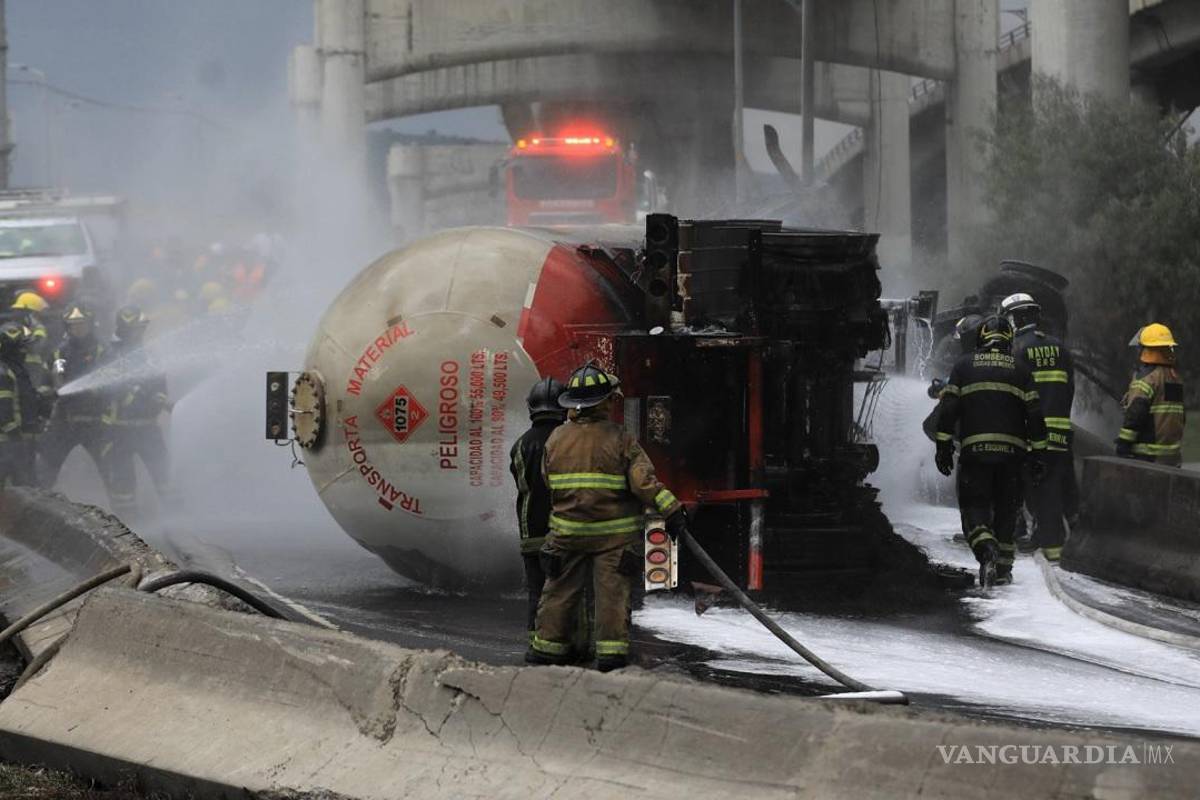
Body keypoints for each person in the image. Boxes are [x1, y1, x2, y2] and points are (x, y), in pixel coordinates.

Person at [528, 362, 688, 672]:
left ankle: (547, 649)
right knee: (612, 597)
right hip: (613, 539)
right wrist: (672, 510)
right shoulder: (620, 439)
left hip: (567, 534)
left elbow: (549, 483)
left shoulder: (556, 439)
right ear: (603, 402)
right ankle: (611, 656)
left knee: (559, 592)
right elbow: (644, 484)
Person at [935, 316, 1048, 587]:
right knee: (1007, 510)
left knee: (974, 506)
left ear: (981, 338)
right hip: (1013, 457)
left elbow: (948, 409)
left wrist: (943, 446)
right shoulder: (1021, 370)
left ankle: (986, 549)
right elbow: (1035, 416)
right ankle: (1004, 571)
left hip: (976, 454)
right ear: (1009, 339)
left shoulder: (964, 366)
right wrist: (1038, 456)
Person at [509, 377, 586, 649]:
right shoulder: (567, 441)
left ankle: (536, 643)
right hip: (564, 532)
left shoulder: (519, 445)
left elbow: (524, 485)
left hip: (531, 532)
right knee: (568, 592)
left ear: (532, 408)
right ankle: (569, 644)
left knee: (537, 593)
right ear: (563, 408)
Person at [1002, 293, 1075, 562]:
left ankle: (1049, 548)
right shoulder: (1061, 348)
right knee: (1056, 487)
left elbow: (1012, 396)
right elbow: (1069, 390)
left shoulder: (1017, 349)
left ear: (1017, 318)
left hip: (1033, 436)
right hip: (1060, 432)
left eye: (1009, 318)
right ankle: (1045, 540)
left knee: (1036, 491)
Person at [107, 306, 173, 517]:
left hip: (148, 427)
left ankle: (179, 521)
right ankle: (129, 527)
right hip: (120, 431)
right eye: (135, 329)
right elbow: (111, 389)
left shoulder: (149, 355)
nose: (139, 333)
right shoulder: (111, 355)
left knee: (164, 476)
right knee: (123, 483)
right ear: (124, 329)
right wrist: (139, 395)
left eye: (141, 329)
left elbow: (160, 384)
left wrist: (159, 400)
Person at [39, 305, 114, 491]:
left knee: (110, 467)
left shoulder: (103, 350)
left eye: (82, 324)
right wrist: (50, 394)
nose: (77, 328)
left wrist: (95, 392)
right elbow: (44, 383)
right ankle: (37, 507)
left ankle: (123, 513)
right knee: (47, 466)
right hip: (64, 421)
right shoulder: (59, 353)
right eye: (73, 325)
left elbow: (113, 385)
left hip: (96, 422)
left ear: (90, 325)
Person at [1117, 323, 1185, 467]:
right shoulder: (1174, 377)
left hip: (1147, 457)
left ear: (1146, 349)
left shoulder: (1147, 378)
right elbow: (1179, 417)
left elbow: (1135, 415)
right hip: (1172, 459)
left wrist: (1123, 443)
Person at [0, 322, 39, 486]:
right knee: (20, 488)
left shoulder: (15, 369)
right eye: (23, 347)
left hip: (13, 442)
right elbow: (3, 409)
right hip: (7, 443)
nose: (26, 352)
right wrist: (16, 435)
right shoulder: (4, 373)